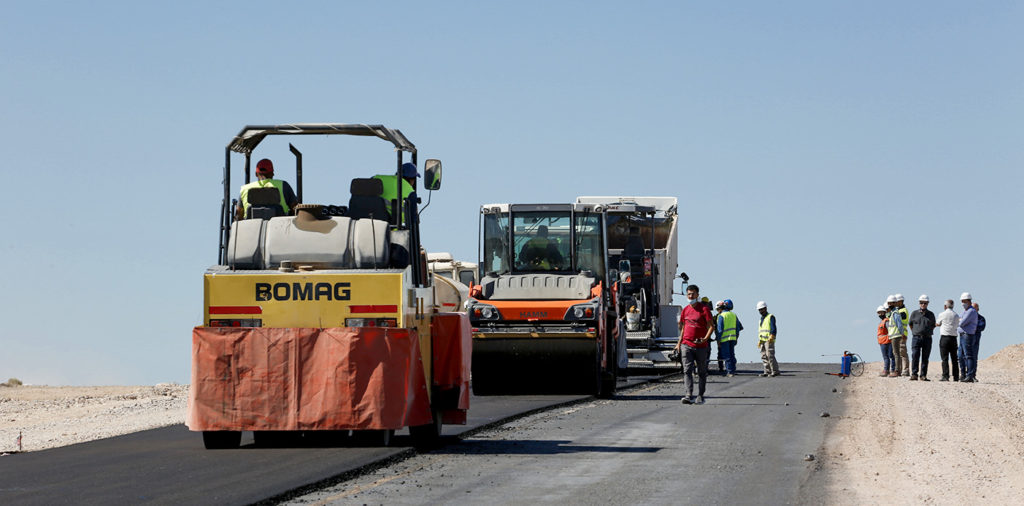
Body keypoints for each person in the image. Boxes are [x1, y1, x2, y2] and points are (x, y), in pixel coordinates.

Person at [673, 284, 714, 404]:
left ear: (697, 295)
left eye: (693, 294)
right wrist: (678, 343)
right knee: (687, 370)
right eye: (689, 294)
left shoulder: (704, 309)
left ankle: (700, 395)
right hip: (686, 344)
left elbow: (711, 326)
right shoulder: (685, 310)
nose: (691, 296)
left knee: (701, 371)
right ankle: (688, 394)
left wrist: (705, 339)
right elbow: (682, 327)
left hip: (701, 346)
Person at [909, 295, 937, 381]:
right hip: (916, 338)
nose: (923, 304)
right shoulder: (914, 313)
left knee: (925, 357)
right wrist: (916, 332)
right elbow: (910, 324)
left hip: (927, 338)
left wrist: (927, 332)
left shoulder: (931, 314)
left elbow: (933, 325)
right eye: (921, 303)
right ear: (919, 303)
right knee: (915, 356)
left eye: (925, 303)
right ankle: (914, 374)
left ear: (928, 304)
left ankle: (923, 375)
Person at [934, 299, 960, 381]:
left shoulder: (942, 314)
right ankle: (956, 377)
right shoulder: (956, 315)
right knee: (954, 359)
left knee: (944, 358)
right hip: (953, 338)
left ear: (945, 306)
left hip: (944, 337)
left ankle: (945, 376)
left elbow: (937, 323)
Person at [717, 299, 742, 377]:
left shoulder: (721, 316)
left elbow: (720, 330)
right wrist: (736, 337)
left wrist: (718, 340)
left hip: (724, 339)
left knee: (726, 355)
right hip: (733, 338)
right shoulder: (734, 315)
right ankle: (733, 370)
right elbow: (738, 328)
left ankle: (730, 371)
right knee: (732, 354)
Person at [957, 292, 979, 383]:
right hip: (962, 335)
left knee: (968, 355)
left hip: (967, 335)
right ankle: (964, 375)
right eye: (962, 301)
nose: (963, 303)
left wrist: (960, 321)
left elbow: (961, 323)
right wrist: (960, 321)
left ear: (969, 301)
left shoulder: (971, 311)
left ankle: (970, 375)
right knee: (961, 356)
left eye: (964, 301)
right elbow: (958, 320)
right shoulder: (965, 311)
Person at [885, 295, 907, 377]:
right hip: (894, 336)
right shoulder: (892, 313)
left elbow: (899, 324)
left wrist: (902, 334)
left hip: (896, 336)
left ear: (894, 303)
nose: (889, 304)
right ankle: (898, 370)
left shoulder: (895, 313)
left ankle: (897, 371)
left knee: (896, 354)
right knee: (896, 353)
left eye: (891, 303)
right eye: (889, 303)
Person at [756, 301, 779, 377]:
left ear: (765, 308)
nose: (760, 311)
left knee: (770, 355)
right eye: (759, 310)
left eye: (762, 309)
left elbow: (773, 327)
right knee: (764, 356)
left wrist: (772, 335)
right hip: (762, 340)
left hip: (769, 339)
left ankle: (775, 371)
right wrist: (760, 340)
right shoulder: (761, 319)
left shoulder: (770, 317)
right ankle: (767, 371)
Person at [894, 294, 911, 376]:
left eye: (896, 301)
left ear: (900, 301)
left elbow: (900, 323)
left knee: (903, 352)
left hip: (902, 334)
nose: (895, 303)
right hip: (898, 334)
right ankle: (900, 370)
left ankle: (906, 370)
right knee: (899, 353)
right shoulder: (899, 310)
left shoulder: (902, 311)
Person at [876, 305, 893, 377]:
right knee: (885, 357)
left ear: (884, 312)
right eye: (879, 313)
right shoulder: (881, 322)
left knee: (888, 357)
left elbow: (890, 330)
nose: (880, 314)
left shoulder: (886, 321)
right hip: (882, 342)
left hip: (887, 342)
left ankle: (886, 370)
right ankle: (887, 370)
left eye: (881, 313)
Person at [972, 302, 986, 381]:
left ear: (978, 309)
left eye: (975, 308)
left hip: (976, 340)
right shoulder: (967, 317)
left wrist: (972, 327)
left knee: (974, 357)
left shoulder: (981, 318)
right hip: (967, 340)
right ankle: (965, 375)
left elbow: (981, 327)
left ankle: (973, 375)